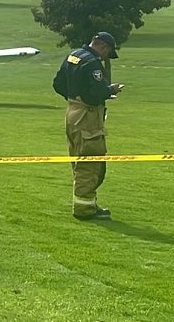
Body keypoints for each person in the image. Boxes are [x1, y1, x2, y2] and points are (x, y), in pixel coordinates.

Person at [52, 32, 124, 220]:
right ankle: (84, 209)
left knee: (78, 160)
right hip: (87, 116)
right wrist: (110, 90)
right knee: (90, 162)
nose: (106, 57)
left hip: (71, 112)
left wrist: (75, 98)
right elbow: (95, 95)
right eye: (107, 53)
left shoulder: (73, 55)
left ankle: (87, 203)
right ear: (103, 47)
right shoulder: (92, 63)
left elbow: (58, 84)